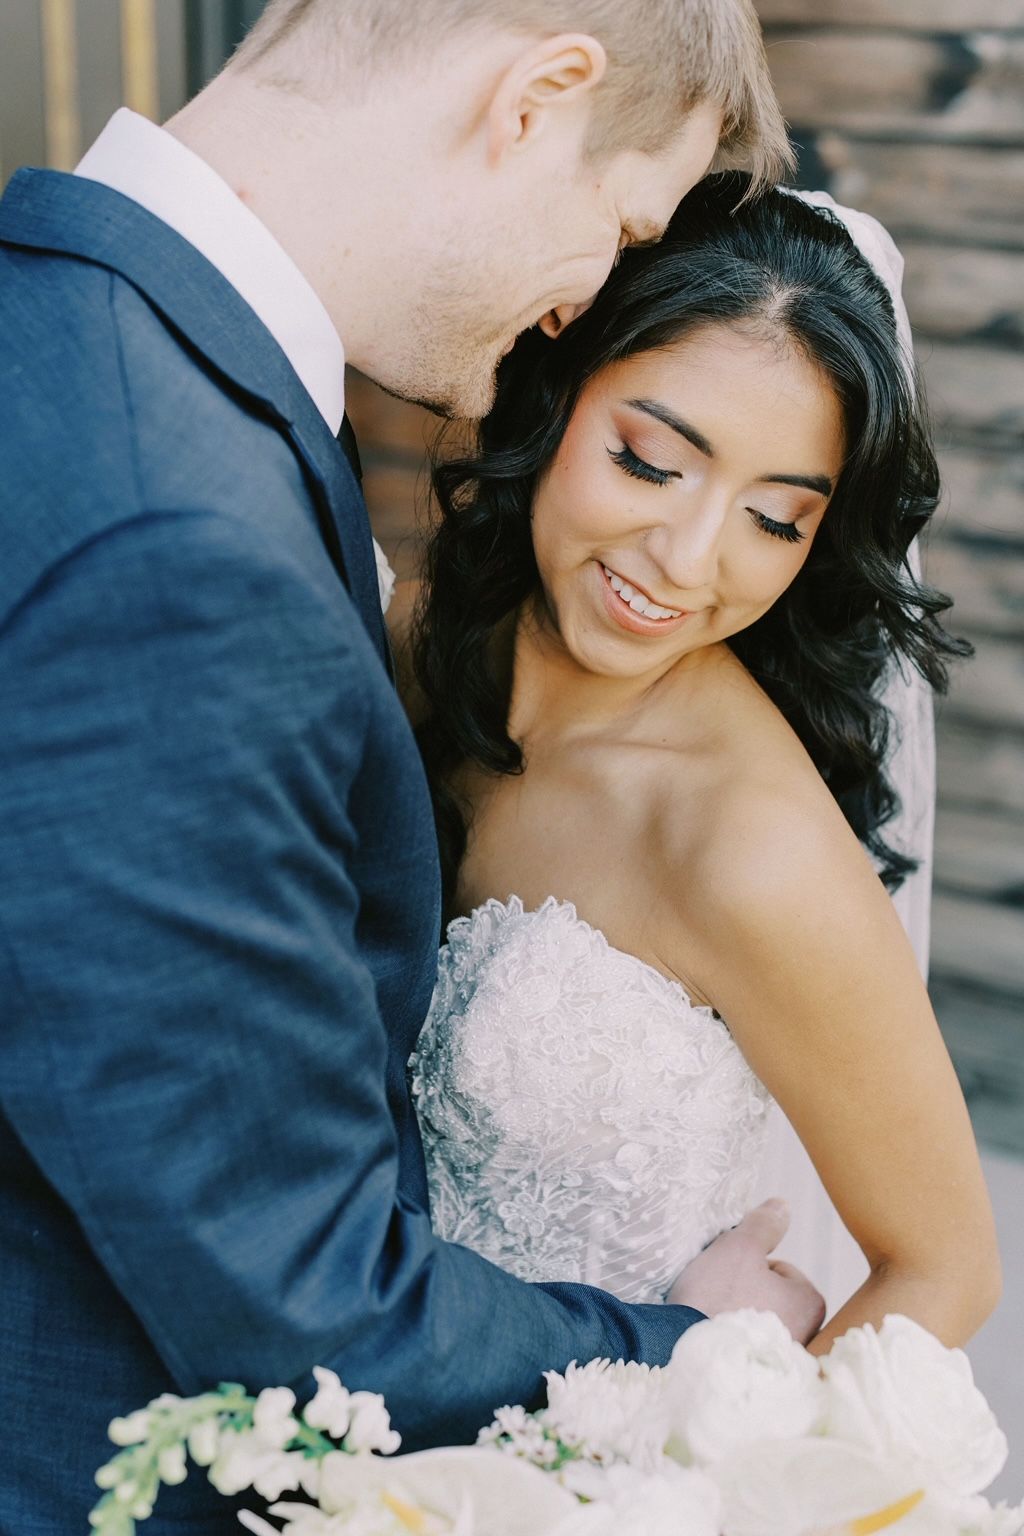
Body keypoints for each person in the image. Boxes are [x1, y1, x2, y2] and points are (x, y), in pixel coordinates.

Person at [0, 3, 822, 1532]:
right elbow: (300, 1298)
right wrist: (697, 1352)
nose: (587, 303)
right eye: (621, 222)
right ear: (537, 97)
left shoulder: (59, 326)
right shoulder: (176, 538)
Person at [409, 173, 1003, 1353]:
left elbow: (944, 1271)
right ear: (557, 388)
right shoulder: (410, 644)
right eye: (648, 460)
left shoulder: (749, 847)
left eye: (776, 519)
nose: (687, 561)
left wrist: (692, 1472)